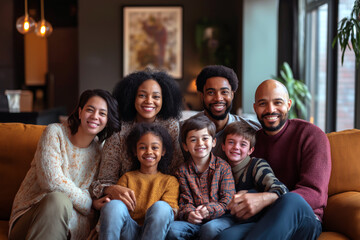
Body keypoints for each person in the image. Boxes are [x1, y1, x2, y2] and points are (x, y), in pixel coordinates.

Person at [220, 79, 331, 239]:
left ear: (289, 104)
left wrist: (269, 197)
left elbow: (315, 194)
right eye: (263, 103)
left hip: (304, 219)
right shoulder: (251, 142)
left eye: (277, 102)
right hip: (265, 218)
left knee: (291, 200)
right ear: (255, 108)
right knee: (226, 237)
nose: (270, 109)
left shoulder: (311, 135)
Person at [8, 89, 120, 240]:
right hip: (29, 217)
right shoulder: (55, 133)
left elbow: (96, 195)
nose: (95, 117)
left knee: (63, 203)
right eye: (90, 110)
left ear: (107, 121)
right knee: (59, 200)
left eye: (102, 113)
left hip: (68, 226)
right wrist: (89, 204)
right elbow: (50, 181)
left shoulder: (101, 152)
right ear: (80, 112)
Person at [90, 69, 184, 212]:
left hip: (161, 203)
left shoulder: (170, 125)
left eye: (156, 96)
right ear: (131, 97)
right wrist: (111, 189)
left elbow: (177, 170)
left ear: (164, 99)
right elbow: (105, 179)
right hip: (125, 203)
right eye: (142, 95)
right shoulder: (119, 129)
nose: (149, 101)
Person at [97, 123, 179, 240]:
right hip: (129, 231)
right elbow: (114, 210)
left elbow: (170, 213)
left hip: (155, 233)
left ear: (163, 151)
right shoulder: (127, 178)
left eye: (155, 147)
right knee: (114, 205)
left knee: (163, 207)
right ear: (135, 151)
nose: (149, 152)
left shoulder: (170, 181)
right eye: (142, 147)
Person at [166, 115, 235, 240]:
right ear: (185, 146)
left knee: (209, 229)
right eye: (193, 140)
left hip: (220, 218)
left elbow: (228, 200)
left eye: (205, 138)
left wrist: (209, 209)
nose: (200, 144)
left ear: (213, 142)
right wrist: (189, 214)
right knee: (172, 230)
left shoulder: (223, 167)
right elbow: (184, 201)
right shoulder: (182, 171)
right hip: (194, 221)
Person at [215, 121, 288, 237]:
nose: (236, 147)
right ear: (223, 146)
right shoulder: (219, 168)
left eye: (243, 144)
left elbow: (280, 189)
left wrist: (253, 195)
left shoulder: (256, 165)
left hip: (256, 220)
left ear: (250, 150)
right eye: (231, 142)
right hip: (226, 217)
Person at [192, 65, 260, 160]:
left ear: (232, 95)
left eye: (224, 92)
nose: (218, 98)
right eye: (211, 92)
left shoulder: (253, 130)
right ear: (202, 95)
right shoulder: (186, 130)